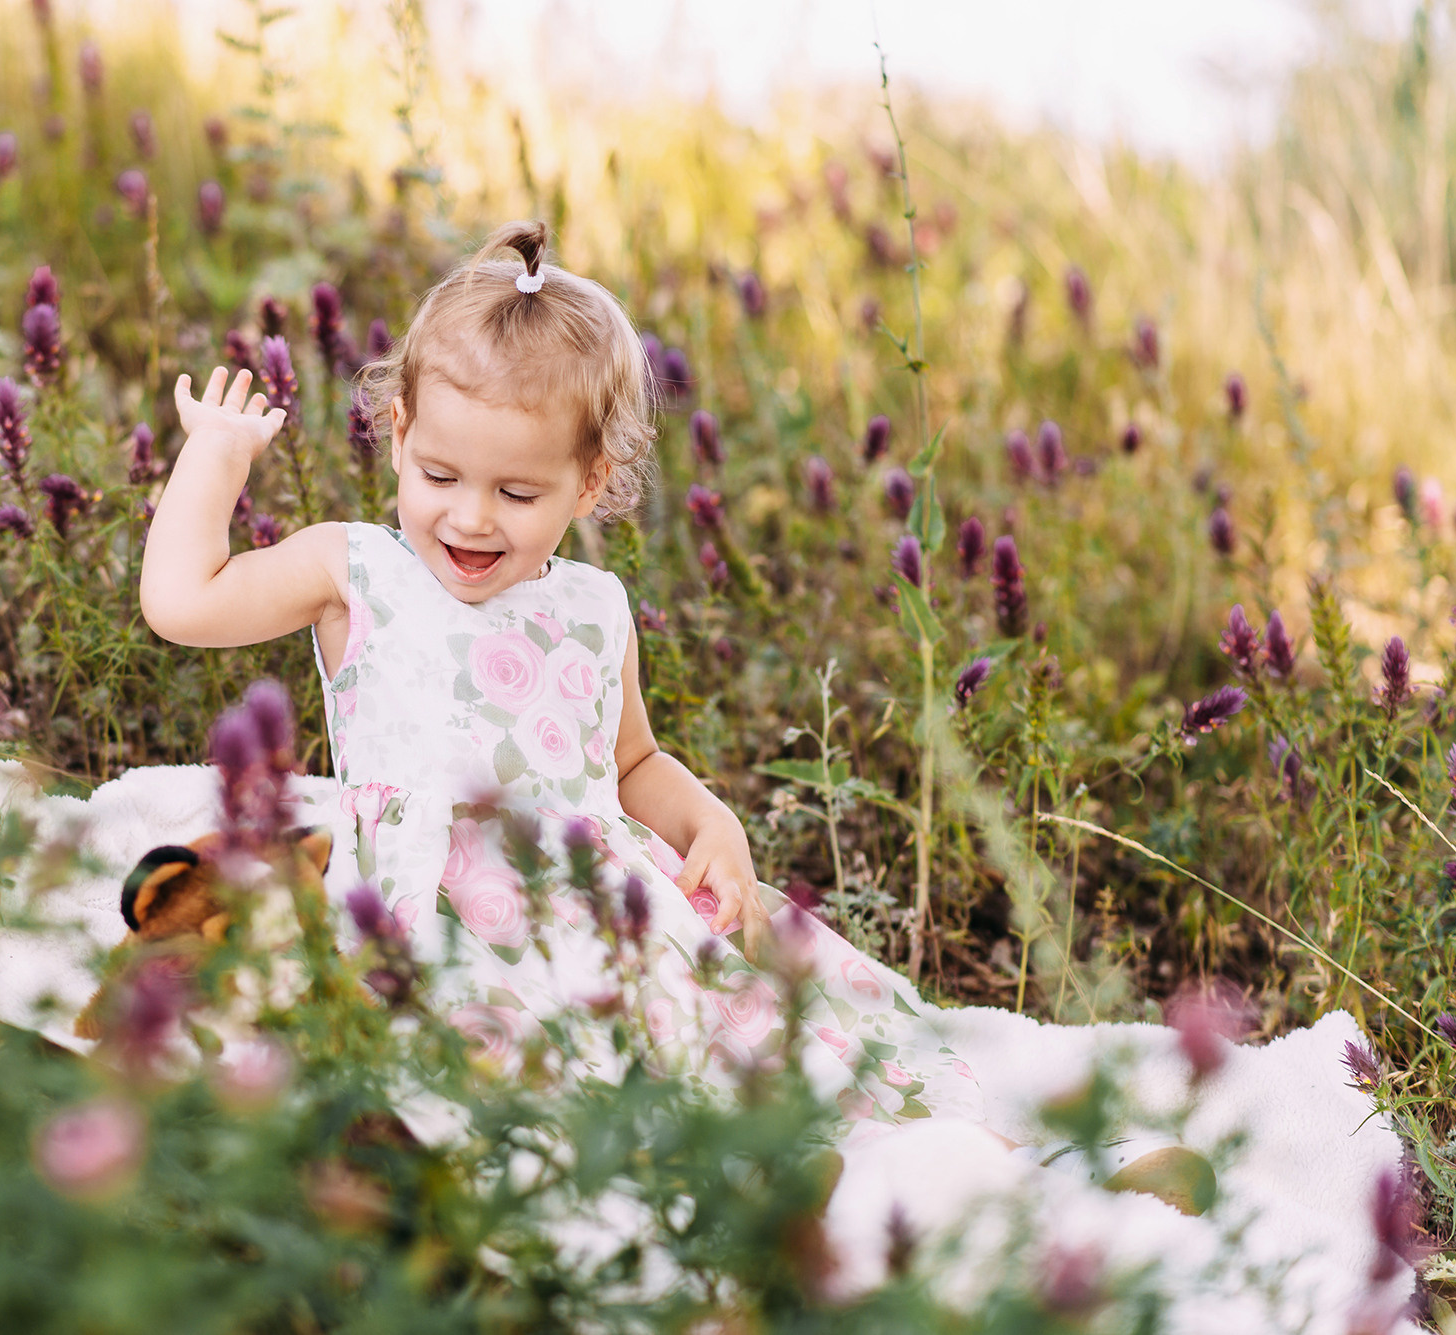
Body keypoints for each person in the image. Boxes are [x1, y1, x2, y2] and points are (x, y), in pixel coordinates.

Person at [141, 219, 983, 1124]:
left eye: (517, 493)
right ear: (397, 434)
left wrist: (710, 818)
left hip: (582, 911)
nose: (470, 518)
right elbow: (184, 602)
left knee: (728, 1051)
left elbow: (630, 765)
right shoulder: (353, 570)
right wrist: (216, 459)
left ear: (588, 482)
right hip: (423, 908)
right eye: (438, 474)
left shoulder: (593, 606)